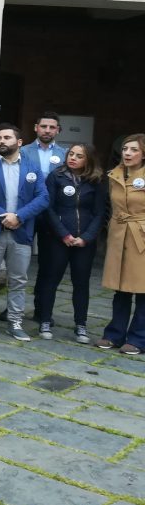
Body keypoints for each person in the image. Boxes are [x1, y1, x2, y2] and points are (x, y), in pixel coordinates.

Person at [0, 124, 49, 341]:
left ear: (19, 142)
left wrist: (19, 216)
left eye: (6, 137)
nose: (1, 141)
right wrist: (3, 215)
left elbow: (43, 198)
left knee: (18, 279)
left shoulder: (32, 167)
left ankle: (15, 321)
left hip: (21, 231)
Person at [37, 144, 106, 343]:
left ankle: (81, 324)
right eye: (71, 154)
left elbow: (100, 212)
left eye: (79, 156)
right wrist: (63, 234)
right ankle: (45, 320)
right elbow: (48, 208)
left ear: (88, 160)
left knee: (81, 283)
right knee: (51, 280)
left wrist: (86, 237)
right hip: (59, 239)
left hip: (84, 240)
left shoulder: (96, 181)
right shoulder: (55, 177)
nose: (73, 158)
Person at [97, 134, 145, 355]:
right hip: (119, 237)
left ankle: (138, 338)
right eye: (125, 149)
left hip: (141, 237)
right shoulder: (114, 175)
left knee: (142, 291)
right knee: (121, 290)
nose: (127, 153)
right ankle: (114, 334)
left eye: (133, 150)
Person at [22, 112, 66, 323]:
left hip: (52, 215)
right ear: (36, 128)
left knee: (48, 264)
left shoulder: (66, 155)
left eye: (52, 127)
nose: (47, 130)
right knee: (19, 261)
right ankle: (14, 308)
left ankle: (42, 308)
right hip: (27, 212)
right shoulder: (23, 151)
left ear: (57, 130)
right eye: (44, 126)